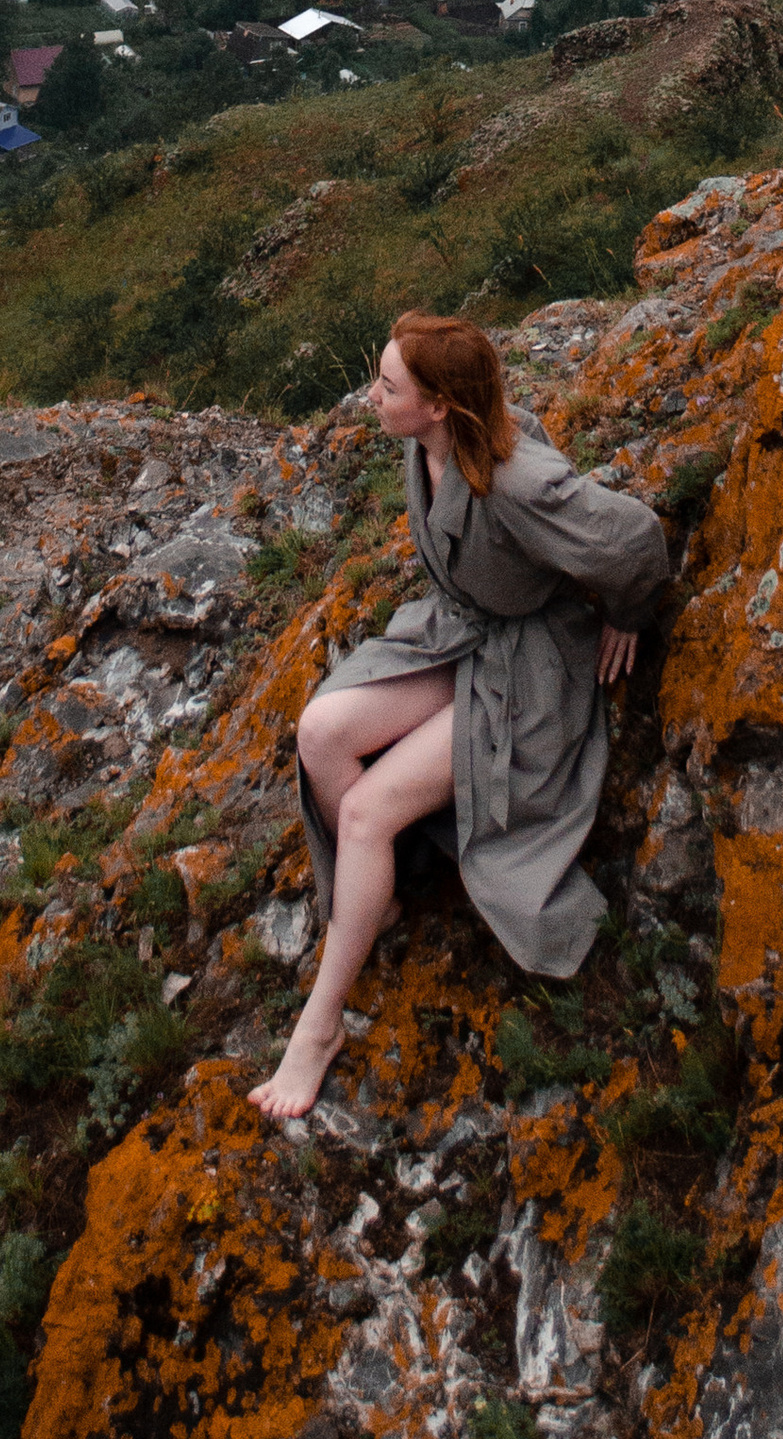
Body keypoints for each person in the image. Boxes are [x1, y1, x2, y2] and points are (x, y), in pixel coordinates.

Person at [247, 309, 670, 1126]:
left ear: (439, 404)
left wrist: (628, 612)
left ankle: (319, 1025)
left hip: (526, 664)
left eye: (390, 385)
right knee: (321, 733)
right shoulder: (427, 445)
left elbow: (635, 539)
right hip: (464, 631)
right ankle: (388, 896)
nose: (372, 395)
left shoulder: (514, 481)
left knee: (367, 811)